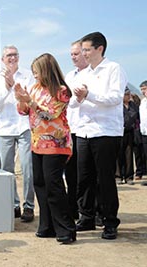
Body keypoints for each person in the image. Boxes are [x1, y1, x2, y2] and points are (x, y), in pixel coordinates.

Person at [70, 32, 127, 240]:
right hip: (85, 131)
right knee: (84, 177)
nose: (83, 53)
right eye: (82, 50)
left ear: (99, 49)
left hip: (106, 132)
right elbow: (74, 103)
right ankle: (86, 216)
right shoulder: (84, 73)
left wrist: (89, 95)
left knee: (105, 179)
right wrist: (77, 98)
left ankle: (109, 220)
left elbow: (114, 98)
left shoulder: (113, 69)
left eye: (86, 49)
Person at [15, 53, 76, 244]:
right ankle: (47, 226)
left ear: (46, 70)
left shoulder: (62, 91)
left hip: (56, 144)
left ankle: (66, 229)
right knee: (40, 183)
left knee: (54, 185)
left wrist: (30, 102)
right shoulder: (34, 88)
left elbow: (50, 115)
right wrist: (22, 99)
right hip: (37, 143)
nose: (35, 76)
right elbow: (23, 111)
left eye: (37, 72)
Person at [0, 45, 35, 222]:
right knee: (6, 170)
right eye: (9, 55)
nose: (12, 58)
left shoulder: (27, 75)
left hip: (24, 127)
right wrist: (7, 88)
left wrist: (18, 92)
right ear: (3, 59)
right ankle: (13, 204)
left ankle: (28, 206)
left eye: (15, 54)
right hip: (4, 128)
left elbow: (31, 100)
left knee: (27, 167)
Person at [64, 40, 88, 220]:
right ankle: (72, 209)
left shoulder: (92, 74)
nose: (73, 57)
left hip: (86, 130)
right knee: (71, 173)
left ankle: (90, 210)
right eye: (71, 54)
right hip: (70, 130)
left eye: (77, 53)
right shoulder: (69, 75)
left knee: (86, 174)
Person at [117, 87, 139, 185]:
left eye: (129, 94)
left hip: (130, 132)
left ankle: (129, 176)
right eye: (126, 94)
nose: (128, 96)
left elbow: (135, 116)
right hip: (119, 132)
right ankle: (118, 176)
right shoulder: (117, 106)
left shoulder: (133, 105)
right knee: (118, 154)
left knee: (129, 155)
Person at [139, 81, 147, 186]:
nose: (143, 92)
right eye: (142, 90)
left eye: (145, 89)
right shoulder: (143, 102)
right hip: (144, 132)